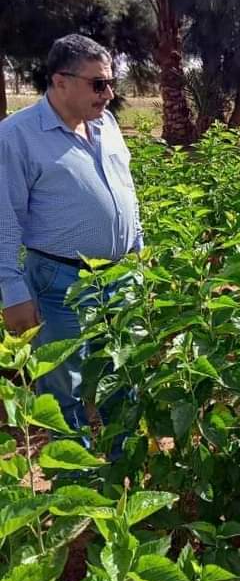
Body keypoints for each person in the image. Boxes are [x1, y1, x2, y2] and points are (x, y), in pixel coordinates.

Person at [0, 34, 143, 436]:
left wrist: (138, 250)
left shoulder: (106, 124)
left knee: (123, 379)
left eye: (111, 83)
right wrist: (12, 290)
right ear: (60, 81)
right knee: (65, 389)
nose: (108, 94)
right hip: (60, 283)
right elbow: (5, 217)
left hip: (120, 277)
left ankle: (120, 467)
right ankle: (76, 474)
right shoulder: (17, 136)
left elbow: (126, 190)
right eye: (98, 84)